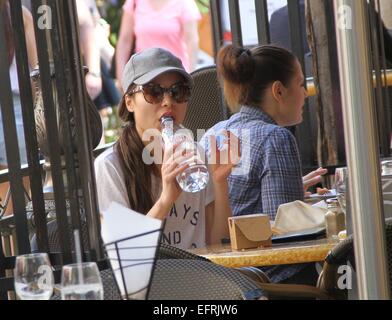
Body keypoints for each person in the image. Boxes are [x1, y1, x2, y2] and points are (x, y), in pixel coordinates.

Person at [201, 44, 327, 284]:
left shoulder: (216, 132)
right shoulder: (275, 138)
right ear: (278, 91)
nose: (306, 92)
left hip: (225, 278)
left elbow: (243, 202)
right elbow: (285, 231)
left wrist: (294, 190)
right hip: (272, 280)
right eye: (300, 84)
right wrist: (322, 208)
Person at [95, 48, 238, 249]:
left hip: (199, 277)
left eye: (178, 92)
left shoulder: (196, 157)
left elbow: (219, 245)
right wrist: (165, 200)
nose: (168, 101)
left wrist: (220, 182)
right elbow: (125, 255)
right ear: (129, 102)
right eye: (153, 91)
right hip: (153, 280)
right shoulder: (109, 167)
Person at [0, 0, 37, 214]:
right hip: (16, 114)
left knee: (10, 213)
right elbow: (36, 75)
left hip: (14, 112)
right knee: (16, 212)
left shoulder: (19, 15)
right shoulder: (19, 15)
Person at [115, 0, 201, 83]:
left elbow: (192, 40)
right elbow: (124, 40)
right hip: (143, 78)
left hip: (175, 78)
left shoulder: (185, 2)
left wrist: (192, 76)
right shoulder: (134, 2)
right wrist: (121, 77)